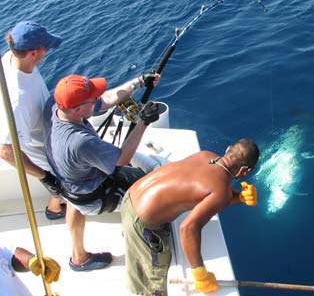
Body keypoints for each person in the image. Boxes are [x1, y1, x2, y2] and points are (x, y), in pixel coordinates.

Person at [43, 72, 162, 271]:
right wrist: (143, 122)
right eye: (92, 99)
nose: (97, 99)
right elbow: (121, 160)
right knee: (151, 192)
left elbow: (105, 101)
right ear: (78, 109)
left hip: (69, 187)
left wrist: (139, 82)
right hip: (93, 197)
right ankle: (139, 240)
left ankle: (78, 258)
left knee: (76, 197)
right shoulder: (80, 141)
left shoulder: (54, 106)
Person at [120, 138, 260, 296]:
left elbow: (209, 187)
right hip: (139, 220)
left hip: (129, 197)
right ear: (246, 171)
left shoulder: (206, 155)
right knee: (155, 281)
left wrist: (239, 196)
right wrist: (199, 273)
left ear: (228, 149)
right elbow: (187, 228)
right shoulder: (221, 193)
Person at [0, 21, 65, 220]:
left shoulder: (11, 57)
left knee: (61, 183)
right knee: (67, 181)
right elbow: (5, 151)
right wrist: (44, 177)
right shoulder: (17, 98)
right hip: (42, 148)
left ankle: (54, 207)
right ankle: (56, 210)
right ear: (33, 53)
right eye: (44, 47)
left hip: (48, 130)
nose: (47, 50)